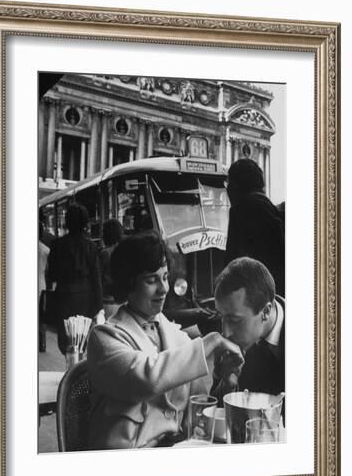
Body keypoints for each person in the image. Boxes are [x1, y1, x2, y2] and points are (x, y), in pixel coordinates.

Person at [87, 231, 244, 450]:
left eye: (165, 277)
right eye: (151, 280)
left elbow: (197, 407)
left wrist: (224, 383)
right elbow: (147, 378)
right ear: (128, 283)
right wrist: (210, 343)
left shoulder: (176, 335)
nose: (164, 289)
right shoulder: (105, 338)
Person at [210, 257, 285, 403]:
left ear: (266, 312)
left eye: (235, 320)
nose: (225, 333)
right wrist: (227, 385)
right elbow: (214, 412)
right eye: (221, 317)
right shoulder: (234, 343)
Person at [46, 203, 104, 354]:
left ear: (67, 221)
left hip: (64, 298)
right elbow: (96, 277)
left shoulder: (57, 245)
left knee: (66, 341)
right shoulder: (91, 247)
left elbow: (52, 275)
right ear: (85, 222)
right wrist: (98, 305)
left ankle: (69, 368)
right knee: (82, 338)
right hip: (87, 299)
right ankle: (79, 371)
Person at [224, 158, 285, 296]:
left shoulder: (241, 209)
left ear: (235, 186)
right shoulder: (268, 208)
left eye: (229, 182)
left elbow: (233, 261)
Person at [99, 219, 124, 320]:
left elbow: (99, 278)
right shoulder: (126, 251)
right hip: (123, 301)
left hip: (108, 302)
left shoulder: (104, 254)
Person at [38, 221, 50, 352]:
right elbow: (48, 271)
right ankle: (42, 343)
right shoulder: (46, 250)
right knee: (41, 316)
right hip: (41, 286)